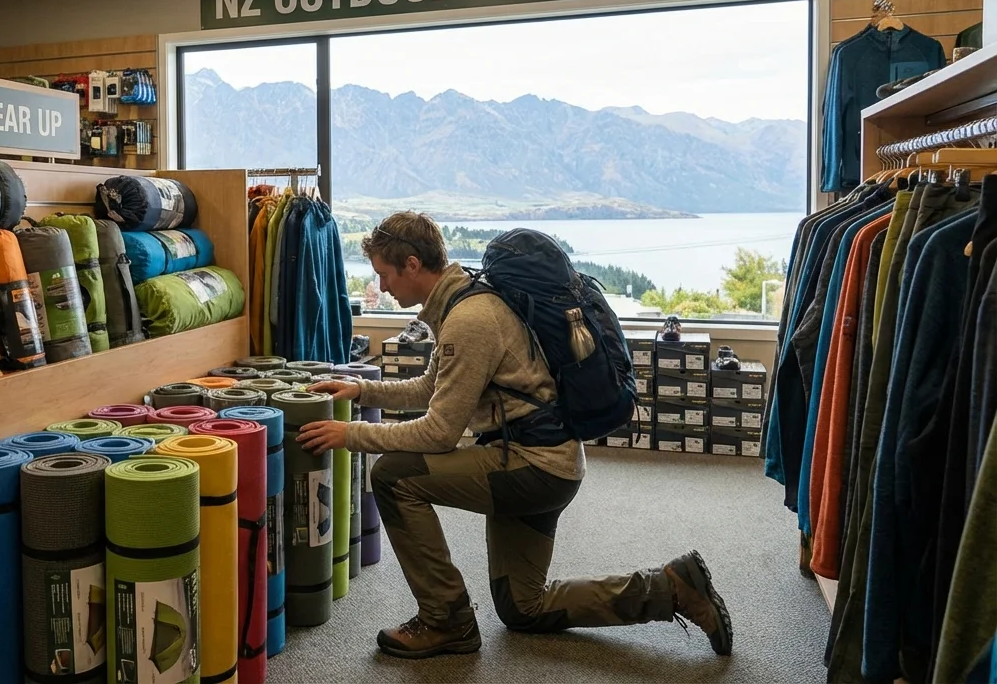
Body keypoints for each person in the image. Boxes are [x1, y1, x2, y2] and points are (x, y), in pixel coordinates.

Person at [299, 211, 732, 660]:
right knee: (523, 608)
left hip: (535, 468)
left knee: (393, 476)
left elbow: (440, 432)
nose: (382, 286)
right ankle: (671, 587)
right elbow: (433, 387)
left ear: (412, 264)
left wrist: (350, 433)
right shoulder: (464, 300)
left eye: (384, 275)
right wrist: (361, 389)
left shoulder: (470, 318)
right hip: (547, 459)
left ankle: (445, 620)